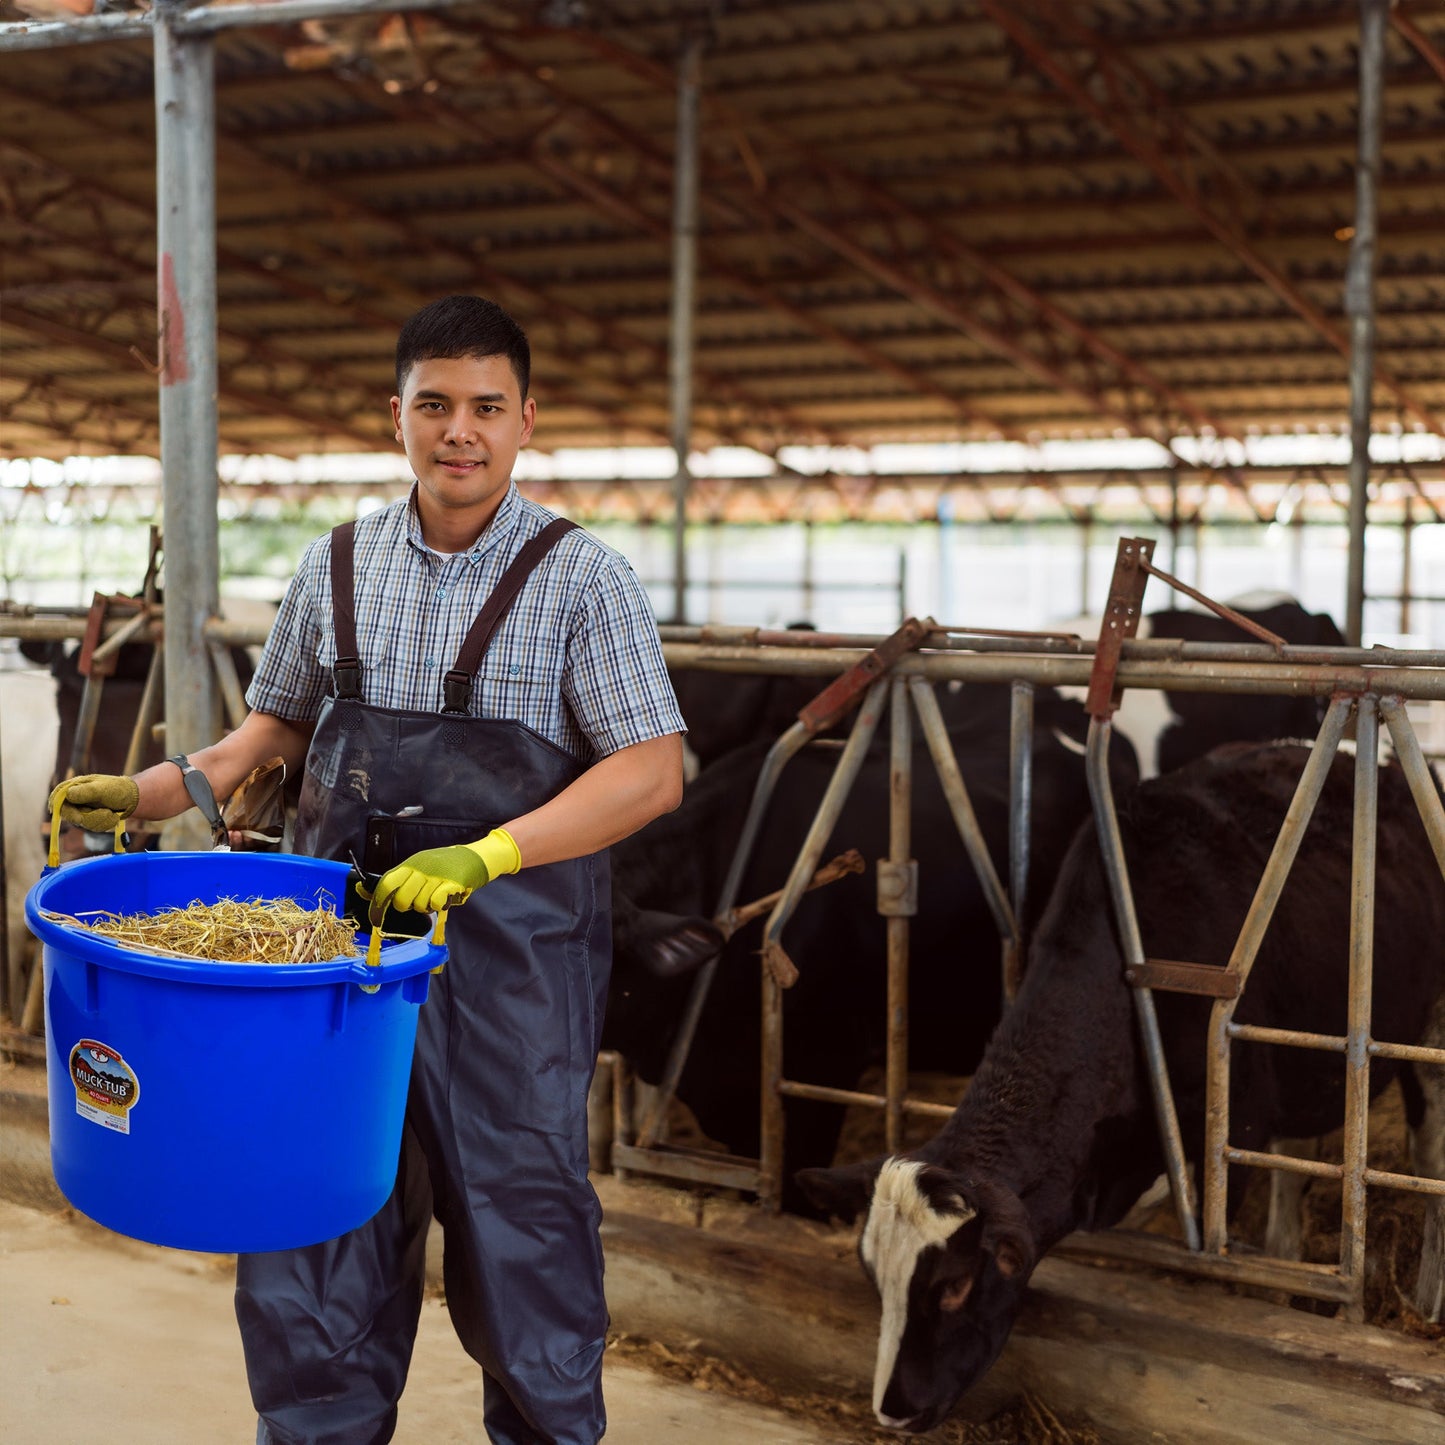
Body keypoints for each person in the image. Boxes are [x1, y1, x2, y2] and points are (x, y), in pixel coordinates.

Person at [49, 294, 687, 1445]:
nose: (459, 431)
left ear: (525, 419)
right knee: (313, 1218)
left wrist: (489, 851)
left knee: (520, 1222)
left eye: (485, 406)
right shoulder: (335, 564)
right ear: (396, 415)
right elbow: (271, 732)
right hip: (334, 959)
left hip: (508, 969)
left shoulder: (582, 578)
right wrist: (148, 791)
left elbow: (649, 771)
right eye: (434, 405)